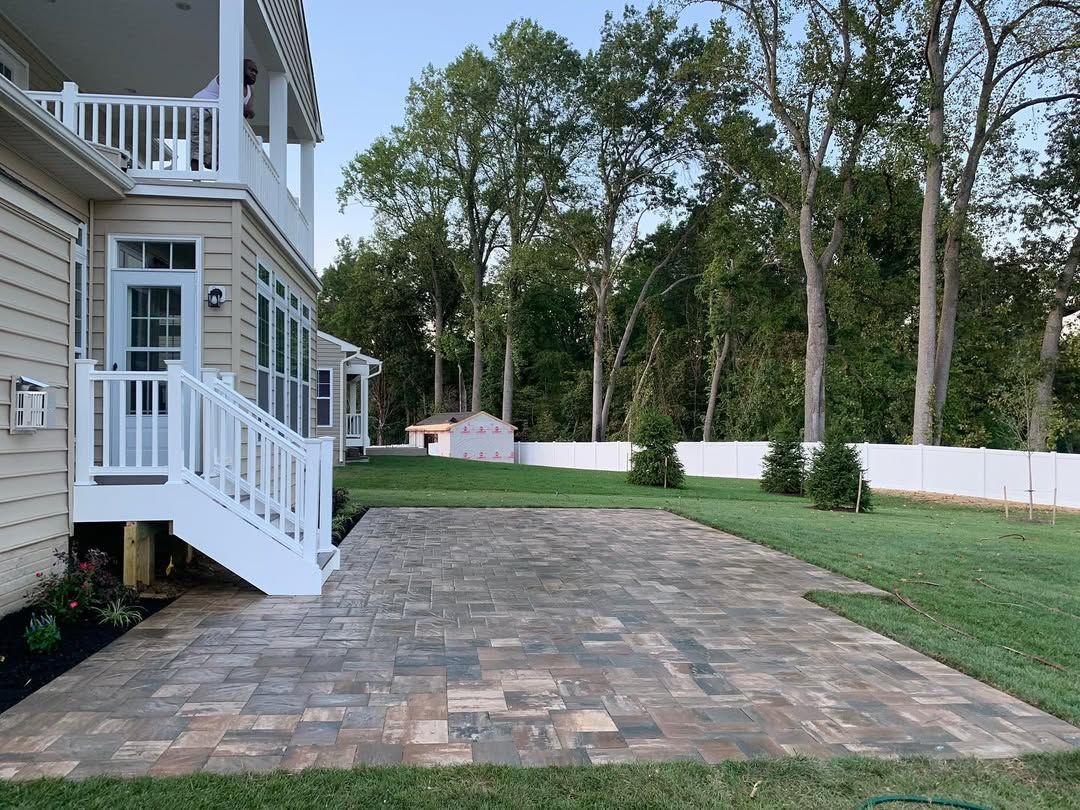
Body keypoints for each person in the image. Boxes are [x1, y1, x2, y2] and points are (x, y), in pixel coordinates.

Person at [190, 58, 258, 171]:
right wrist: (244, 110)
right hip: (202, 107)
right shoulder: (228, 75)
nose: (254, 73)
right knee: (199, 142)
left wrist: (249, 113)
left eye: (256, 72)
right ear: (241, 68)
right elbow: (230, 100)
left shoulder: (251, 90)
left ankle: (217, 171)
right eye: (251, 69)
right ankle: (196, 178)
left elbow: (248, 111)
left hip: (220, 114)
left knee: (223, 146)